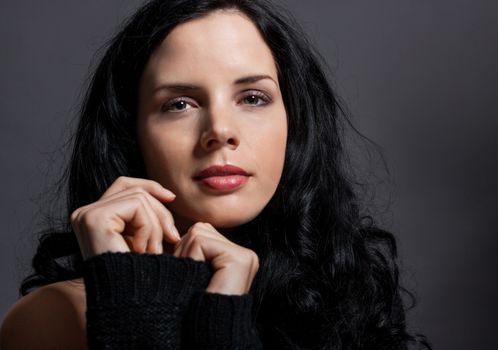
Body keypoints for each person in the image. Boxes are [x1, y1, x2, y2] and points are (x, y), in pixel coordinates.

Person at [0, 0, 431, 349]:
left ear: (294, 122)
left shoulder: (339, 296)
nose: (221, 131)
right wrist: (133, 308)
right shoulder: (59, 316)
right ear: (131, 133)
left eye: (253, 98)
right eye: (180, 104)